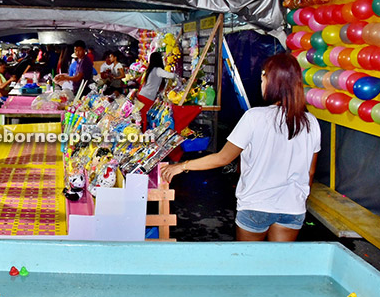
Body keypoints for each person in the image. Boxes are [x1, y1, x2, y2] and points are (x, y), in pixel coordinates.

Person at [161, 53, 321, 242]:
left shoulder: (255, 117)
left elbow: (223, 158)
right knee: (278, 266)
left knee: (248, 264)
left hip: (256, 205)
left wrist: (182, 165)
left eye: (264, 77)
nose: (262, 82)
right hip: (292, 208)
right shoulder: (311, 122)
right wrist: (299, 198)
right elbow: (310, 172)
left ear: (273, 81)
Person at [136, 52, 174, 131]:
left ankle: (141, 133)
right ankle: (143, 134)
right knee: (144, 116)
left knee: (141, 116)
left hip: (142, 95)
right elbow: (171, 75)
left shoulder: (150, 70)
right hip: (147, 97)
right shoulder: (158, 70)